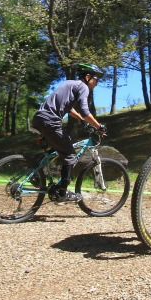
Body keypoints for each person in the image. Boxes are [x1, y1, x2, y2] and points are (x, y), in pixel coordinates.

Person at [31, 63, 107, 203]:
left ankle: (36, 173)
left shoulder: (69, 84)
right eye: (96, 79)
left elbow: (69, 109)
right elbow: (85, 111)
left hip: (39, 118)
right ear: (88, 76)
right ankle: (62, 193)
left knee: (61, 146)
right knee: (70, 154)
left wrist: (82, 121)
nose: (97, 82)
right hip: (51, 121)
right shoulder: (83, 87)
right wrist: (99, 126)